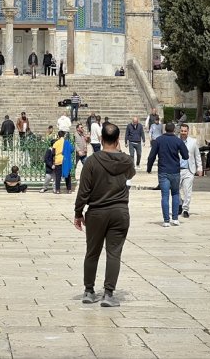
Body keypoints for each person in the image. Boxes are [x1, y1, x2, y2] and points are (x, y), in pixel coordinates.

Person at [74, 122, 136, 307]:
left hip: (97, 213)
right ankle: (108, 294)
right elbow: (130, 175)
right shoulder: (126, 160)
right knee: (114, 253)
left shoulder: (92, 161)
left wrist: (78, 213)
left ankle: (89, 291)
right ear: (118, 140)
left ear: (100, 139)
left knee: (92, 253)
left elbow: (83, 191)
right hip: (119, 212)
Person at [146, 122, 189, 227]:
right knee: (175, 194)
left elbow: (151, 156)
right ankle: (175, 219)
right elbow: (186, 156)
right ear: (174, 130)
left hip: (163, 171)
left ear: (165, 129)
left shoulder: (158, 140)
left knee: (165, 196)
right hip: (175, 171)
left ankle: (166, 220)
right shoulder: (178, 141)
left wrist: (149, 168)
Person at [178, 123, 203, 218]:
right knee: (176, 190)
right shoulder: (176, 141)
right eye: (182, 131)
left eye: (185, 131)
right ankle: (179, 204)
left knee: (187, 191)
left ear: (188, 131)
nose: (183, 133)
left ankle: (185, 209)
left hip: (189, 169)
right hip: (177, 170)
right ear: (179, 131)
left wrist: (199, 168)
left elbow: (197, 156)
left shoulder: (193, 142)